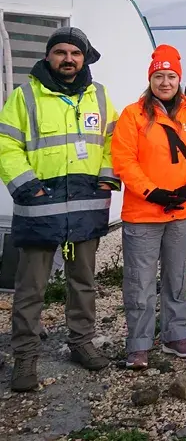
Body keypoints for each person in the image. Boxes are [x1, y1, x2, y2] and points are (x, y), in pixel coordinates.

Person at [0, 27, 120, 391]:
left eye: (75, 53)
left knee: (83, 283)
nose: (68, 59)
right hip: (40, 206)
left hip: (85, 206)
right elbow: (6, 143)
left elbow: (115, 140)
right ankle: (24, 357)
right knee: (30, 288)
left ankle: (81, 342)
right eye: (61, 52)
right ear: (49, 56)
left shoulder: (98, 95)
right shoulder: (25, 96)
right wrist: (26, 188)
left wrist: (106, 178)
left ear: (84, 58)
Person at [111, 45, 186, 369]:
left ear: (179, 78)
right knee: (140, 282)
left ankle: (175, 335)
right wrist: (150, 191)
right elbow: (123, 159)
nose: (165, 82)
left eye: (171, 76)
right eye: (159, 76)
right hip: (143, 213)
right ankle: (139, 344)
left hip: (181, 212)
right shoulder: (134, 114)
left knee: (175, 278)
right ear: (151, 78)